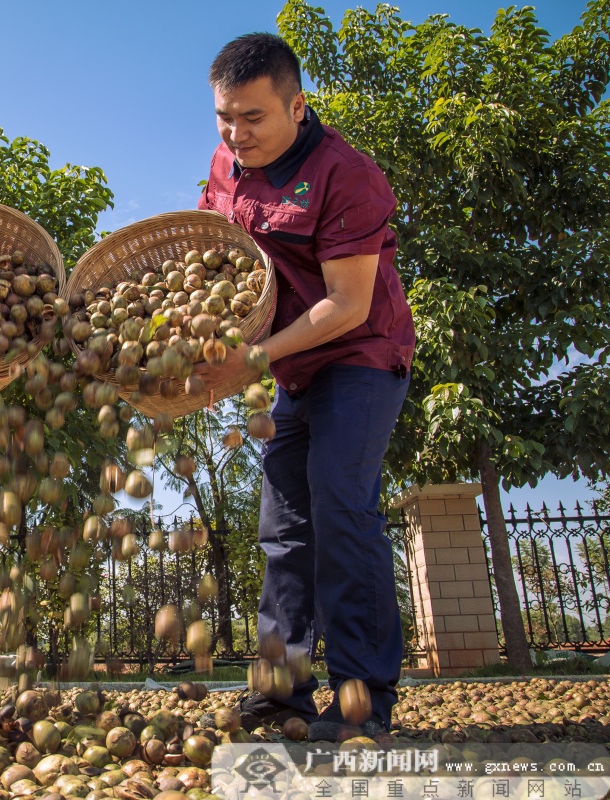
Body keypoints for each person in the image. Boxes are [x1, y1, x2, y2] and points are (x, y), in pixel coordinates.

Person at [192, 33, 416, 741]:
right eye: (225, 117)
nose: (236, 134)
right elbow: (214, 251)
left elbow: (346, 306)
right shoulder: (225, 165)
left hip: (359, 354)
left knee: (340, 504)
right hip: (291, 363)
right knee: (284, 525)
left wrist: (251, 361)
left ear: (296, 106)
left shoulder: (346, 175)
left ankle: (362, 700)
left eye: (253, 117)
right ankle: (282, 688)